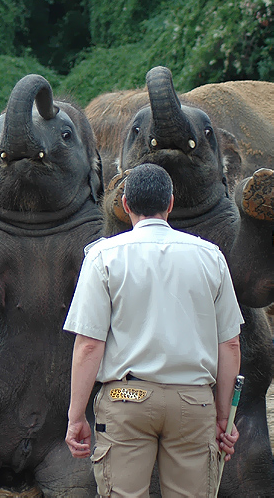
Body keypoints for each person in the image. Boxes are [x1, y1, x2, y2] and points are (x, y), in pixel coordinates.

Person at [63, 163, 242, 497]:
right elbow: (230, 344)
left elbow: (89, 344)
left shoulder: (103, 256)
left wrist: (76, 416)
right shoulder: (211, 257)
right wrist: (222, 417)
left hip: (125, 398)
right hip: (194, 402)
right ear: (171, 204)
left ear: (126, 204)